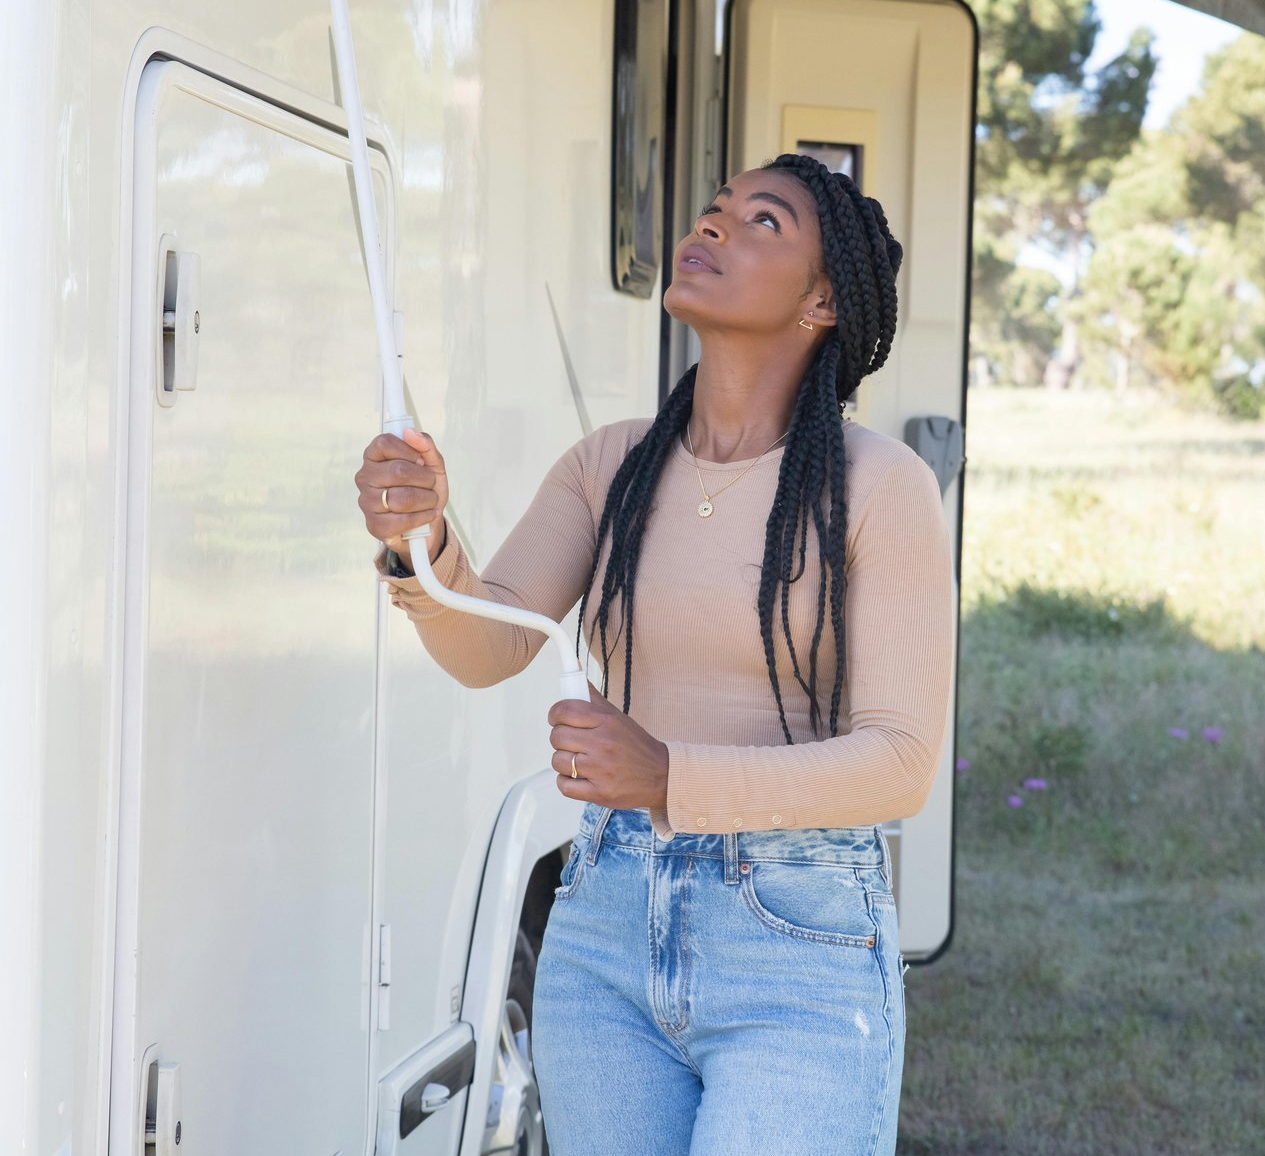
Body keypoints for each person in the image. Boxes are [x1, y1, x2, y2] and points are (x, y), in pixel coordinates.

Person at [352, 152, 954, 1155]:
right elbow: (487, 637)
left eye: (762, 221)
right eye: (715, 207)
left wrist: (670, 773)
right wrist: (418, 538)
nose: (713, 224)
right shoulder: (611, 464)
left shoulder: (878, 486)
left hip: (797, 947)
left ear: (823, 300)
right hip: (604, 932)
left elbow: (900, 761)